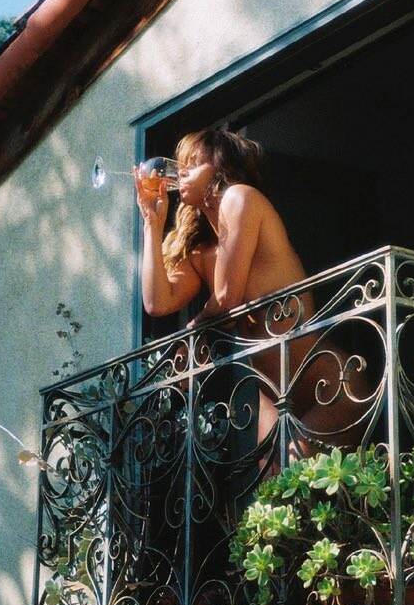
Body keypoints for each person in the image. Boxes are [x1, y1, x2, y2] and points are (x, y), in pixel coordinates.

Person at [135, 128, 368, 454]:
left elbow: (227, 297)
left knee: (297, 471)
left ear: (221, 169)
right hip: (275, 395)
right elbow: (156, 303)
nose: (181, 173)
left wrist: (192, 331)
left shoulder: (241, 197)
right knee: (275, 483)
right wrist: (152, 222)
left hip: (330, 383)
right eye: (181, 165)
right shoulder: (202, 250)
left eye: (194, 164)